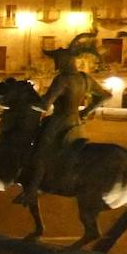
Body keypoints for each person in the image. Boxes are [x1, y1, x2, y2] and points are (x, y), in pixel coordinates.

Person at [16, 32, 110, 207]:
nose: (56, 65)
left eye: (56, 61)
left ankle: (31, 191)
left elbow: (45, 104)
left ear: (62, 61)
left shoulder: (62, 79)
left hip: (59, 122)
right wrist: (86, 112)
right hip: (77, 123)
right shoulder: (84, 78)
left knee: (39, 151)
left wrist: (28, 105)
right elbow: (105, 96)